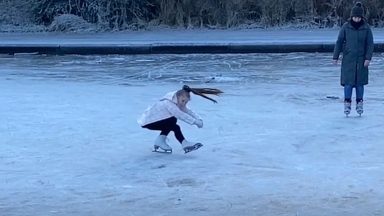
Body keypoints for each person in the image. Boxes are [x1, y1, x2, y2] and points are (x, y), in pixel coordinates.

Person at [138, 85, 223, 153]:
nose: (184, 103)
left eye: (186, 102)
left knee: (175, 126)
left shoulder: (176, 101)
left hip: (154, 121)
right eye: (183, 101)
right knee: (173, 120)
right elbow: (180, 115)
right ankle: (181, 143)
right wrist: (195, 122)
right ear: (177, 96)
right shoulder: (168, 103)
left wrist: (198, 119)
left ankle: (163, 141)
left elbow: (187, 110)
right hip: (148, 122)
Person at [333, 2, 374, 116]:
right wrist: (335, 57)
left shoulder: (366, 28)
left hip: (361, 61)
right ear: (351, 17)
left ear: (361, 17)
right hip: (348, 60)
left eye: (358, 17)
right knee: (348, 83)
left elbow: (370, 44)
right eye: (355, 17)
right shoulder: (346, 27)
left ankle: (359, 103)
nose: (356, 19)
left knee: (360, 84)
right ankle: (347, 103)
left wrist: (368, 58)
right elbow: (339, 42)